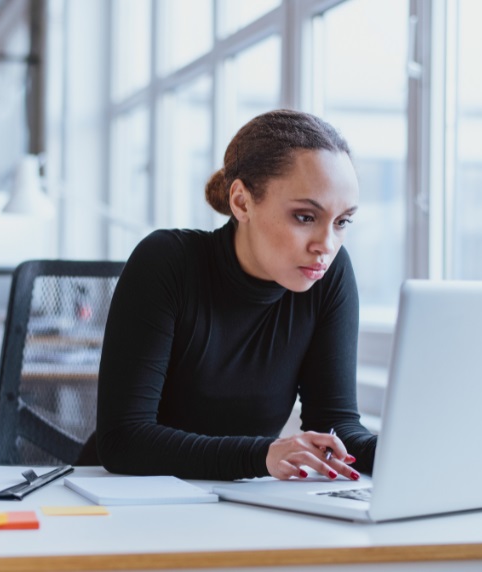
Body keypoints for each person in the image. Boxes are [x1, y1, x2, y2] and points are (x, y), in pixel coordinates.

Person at [94, 109, 378, 482]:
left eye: (342, 222)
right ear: (242, 202)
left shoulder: (329, 276)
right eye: (305, 217)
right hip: (127, 502)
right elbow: (122, 440)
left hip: (237, 505)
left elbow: (336, 427)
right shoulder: (167, 262)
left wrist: (415, 451)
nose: (326, 245)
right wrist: (261, 456)